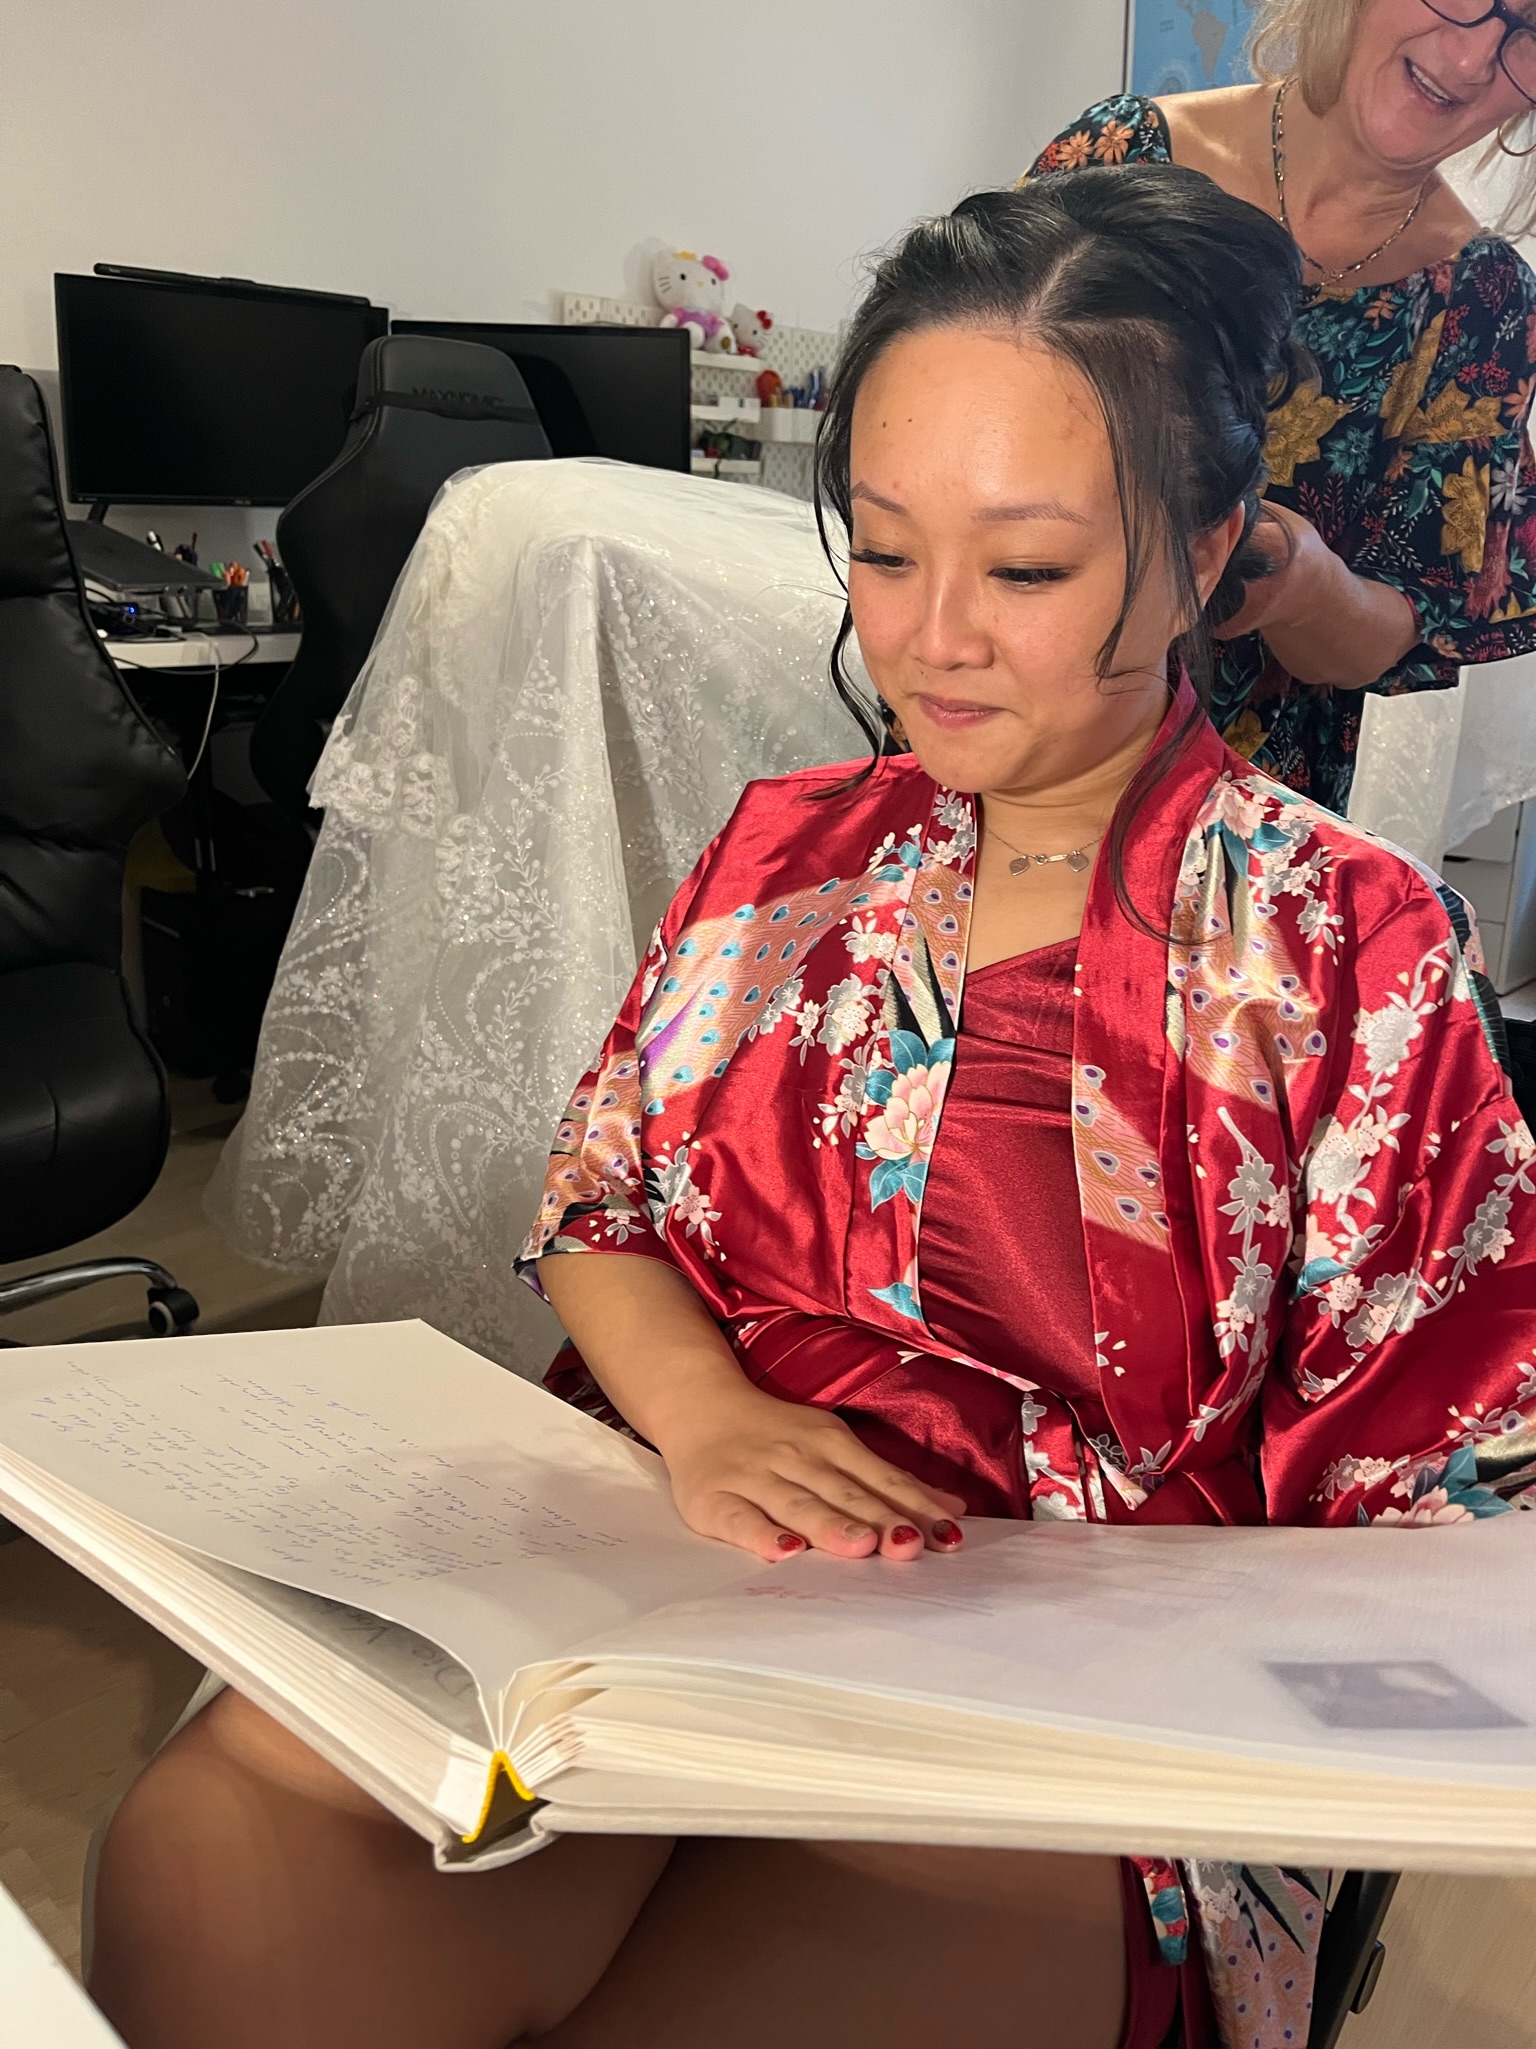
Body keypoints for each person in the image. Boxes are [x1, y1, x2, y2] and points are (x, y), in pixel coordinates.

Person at [89, 168, 1536, 2049]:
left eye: (1026, 570)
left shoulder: (1344, 940)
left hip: (1040, 1685)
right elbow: (603, 1198)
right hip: (644, 1578)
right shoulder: (786, 852)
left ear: (1202, 551)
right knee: (221, 1861)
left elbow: (1449, 1479)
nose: (935, 637)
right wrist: (705, 1418)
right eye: (883, 549)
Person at [1029, 0, 1536, 815]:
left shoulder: (1485, 303)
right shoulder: (1125, 157)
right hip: (1013, 746)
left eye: (1534, 29)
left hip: (1239, 820)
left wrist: (1303, 582)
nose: (1476, 57)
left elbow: (1387, 634)